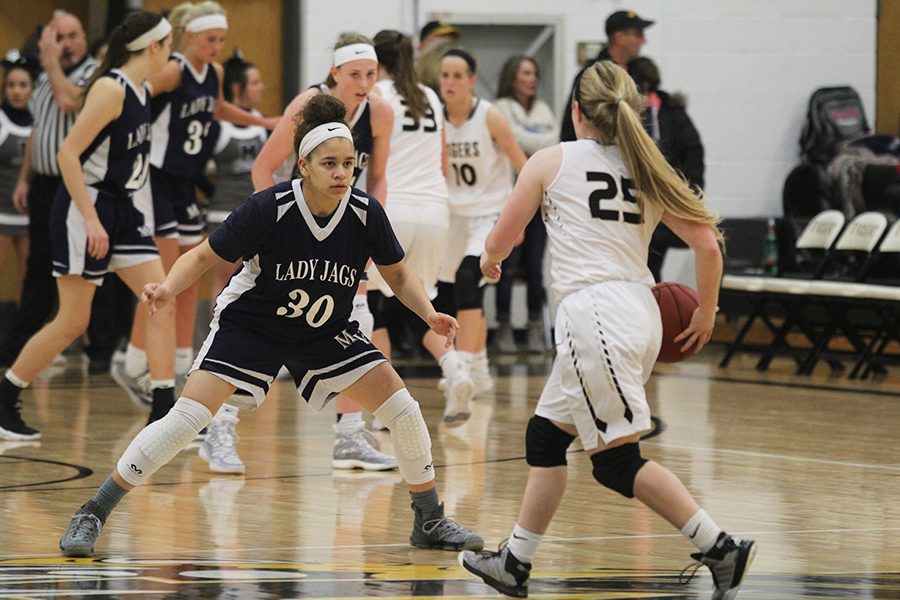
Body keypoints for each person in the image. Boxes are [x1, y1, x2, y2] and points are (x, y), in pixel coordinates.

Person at [58, 93, 484, 558]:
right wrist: (166, 288)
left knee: (403, 410)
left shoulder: (364, 212)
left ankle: (429, 518)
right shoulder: (270, 207)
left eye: (348, 164)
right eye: (329, 164)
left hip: (324, 331)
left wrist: (429, 312)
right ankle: (94, 511)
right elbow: (204, 254)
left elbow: (399, 274)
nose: (341, 173)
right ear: (303, 165)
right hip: (252, 327)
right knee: (185, 419)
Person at [458, 60, 755, 600]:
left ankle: (721, 547)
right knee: (545, 439)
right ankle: (514, 563)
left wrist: (488, 264)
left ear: (575, 112)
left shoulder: (551, 160)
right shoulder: (649, 168)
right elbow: (709, 245)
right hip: (637, 312)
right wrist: (707, 314)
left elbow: (503, 237)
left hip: (593, 316)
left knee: (617, 463)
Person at [0, 12, 176, 442]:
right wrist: (93, 219)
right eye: (170, 45)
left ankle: (164, 411)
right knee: (72, 321)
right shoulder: (110, 88)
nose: (172, 54)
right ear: (153, 47)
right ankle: (6, 398)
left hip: (122, 208)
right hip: (87, 208)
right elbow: (67, 155)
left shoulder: (141, 88)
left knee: (161, 299)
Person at [114, 1, 278, 419]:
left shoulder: (216, 73)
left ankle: (181, 362)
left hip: (186, 183)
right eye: (210, 40)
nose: (216, 47)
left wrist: (264, 123)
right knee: (162, 277)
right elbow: (134, 93)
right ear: (189, 37)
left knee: (190, 275)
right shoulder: (172, 70)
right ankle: (134, 361)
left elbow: (219, 109)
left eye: (221, 41)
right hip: (155, 177)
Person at [251, 32, 397, 472]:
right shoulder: (307, 106)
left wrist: (372, 228)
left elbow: (380, 178)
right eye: (355, 74)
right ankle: (216, 422)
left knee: (358, 322)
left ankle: (350, 437)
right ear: (335, 73)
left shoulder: (381, 112)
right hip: (294, 230)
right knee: (259, 329)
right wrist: (275, 226)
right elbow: (264, 167)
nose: (364, 82)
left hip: (343, 231)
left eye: (371, 74)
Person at [0, 11, 118, 373]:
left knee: (88, 267)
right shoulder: (40, 78)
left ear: (83, 38)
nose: (66, 45)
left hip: (78, 185)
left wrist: (51, 63)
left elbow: (69, 101)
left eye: (72, 36)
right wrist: (25, 177)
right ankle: (21, 349)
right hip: (44, 184)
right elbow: (39, 125)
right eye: (58, 38)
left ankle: (100, 349)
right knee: (39, 267)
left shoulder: (93, 73)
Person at [367, 30, 475, 425]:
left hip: (392, 209)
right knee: (421, 307)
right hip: (434, 212)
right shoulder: (431, 97)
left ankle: (384, 407)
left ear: (376, 61)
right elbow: (443, 166)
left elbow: (373, 165)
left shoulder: (376, 95)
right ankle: (455, 369)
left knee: (374, 307)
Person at [438, 48, 526, 420]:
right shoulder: (435, 119)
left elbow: (525, 166)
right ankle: (481, 364)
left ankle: (468, 365)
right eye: (445, 75)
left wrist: (517, 222)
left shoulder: (490, 116)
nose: (450, 83)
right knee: (444, 293)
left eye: (458, 76)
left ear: (472, 80)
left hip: (489, 213)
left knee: (467, 280)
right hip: (451, 214)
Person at [492, 56, 558, 354]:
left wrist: (527, 138)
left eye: (535, 73)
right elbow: (517, 140)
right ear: (512, 77)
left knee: (534, 266)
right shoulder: (501, 108)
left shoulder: (544, 109)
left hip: (540, 200)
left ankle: (534, 326)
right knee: (507, 264)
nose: (532, 79)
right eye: (526, 73)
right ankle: (504, 326)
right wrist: (535, 138)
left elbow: (552, 142)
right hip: (510, 198)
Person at [628, 56, 705, 282]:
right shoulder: (627, 114)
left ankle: (656, 309)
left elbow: (693, 155)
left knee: (651, 263)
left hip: (665, 199)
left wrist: (689, 195)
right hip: (635, 200)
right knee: (644, 265)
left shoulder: (671, 113)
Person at [560, 9, 653, 142]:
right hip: (597, 152)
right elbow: (570, 127)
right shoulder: (591, 76)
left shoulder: (641, 74)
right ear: (619, 38)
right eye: (638, 34)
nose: (643, 40)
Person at [0, 50, 37, 306]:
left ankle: (20, 337)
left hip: (30, 213)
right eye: (11, 85)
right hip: (0, 211)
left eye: (23, 85)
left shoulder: (40, 122)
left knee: (28, 275)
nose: (16, 91)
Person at [415, 21, 460, 96]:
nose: (446, 46)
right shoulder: (409, 72)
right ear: (422, 44)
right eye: (441, 40)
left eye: (450, 41)